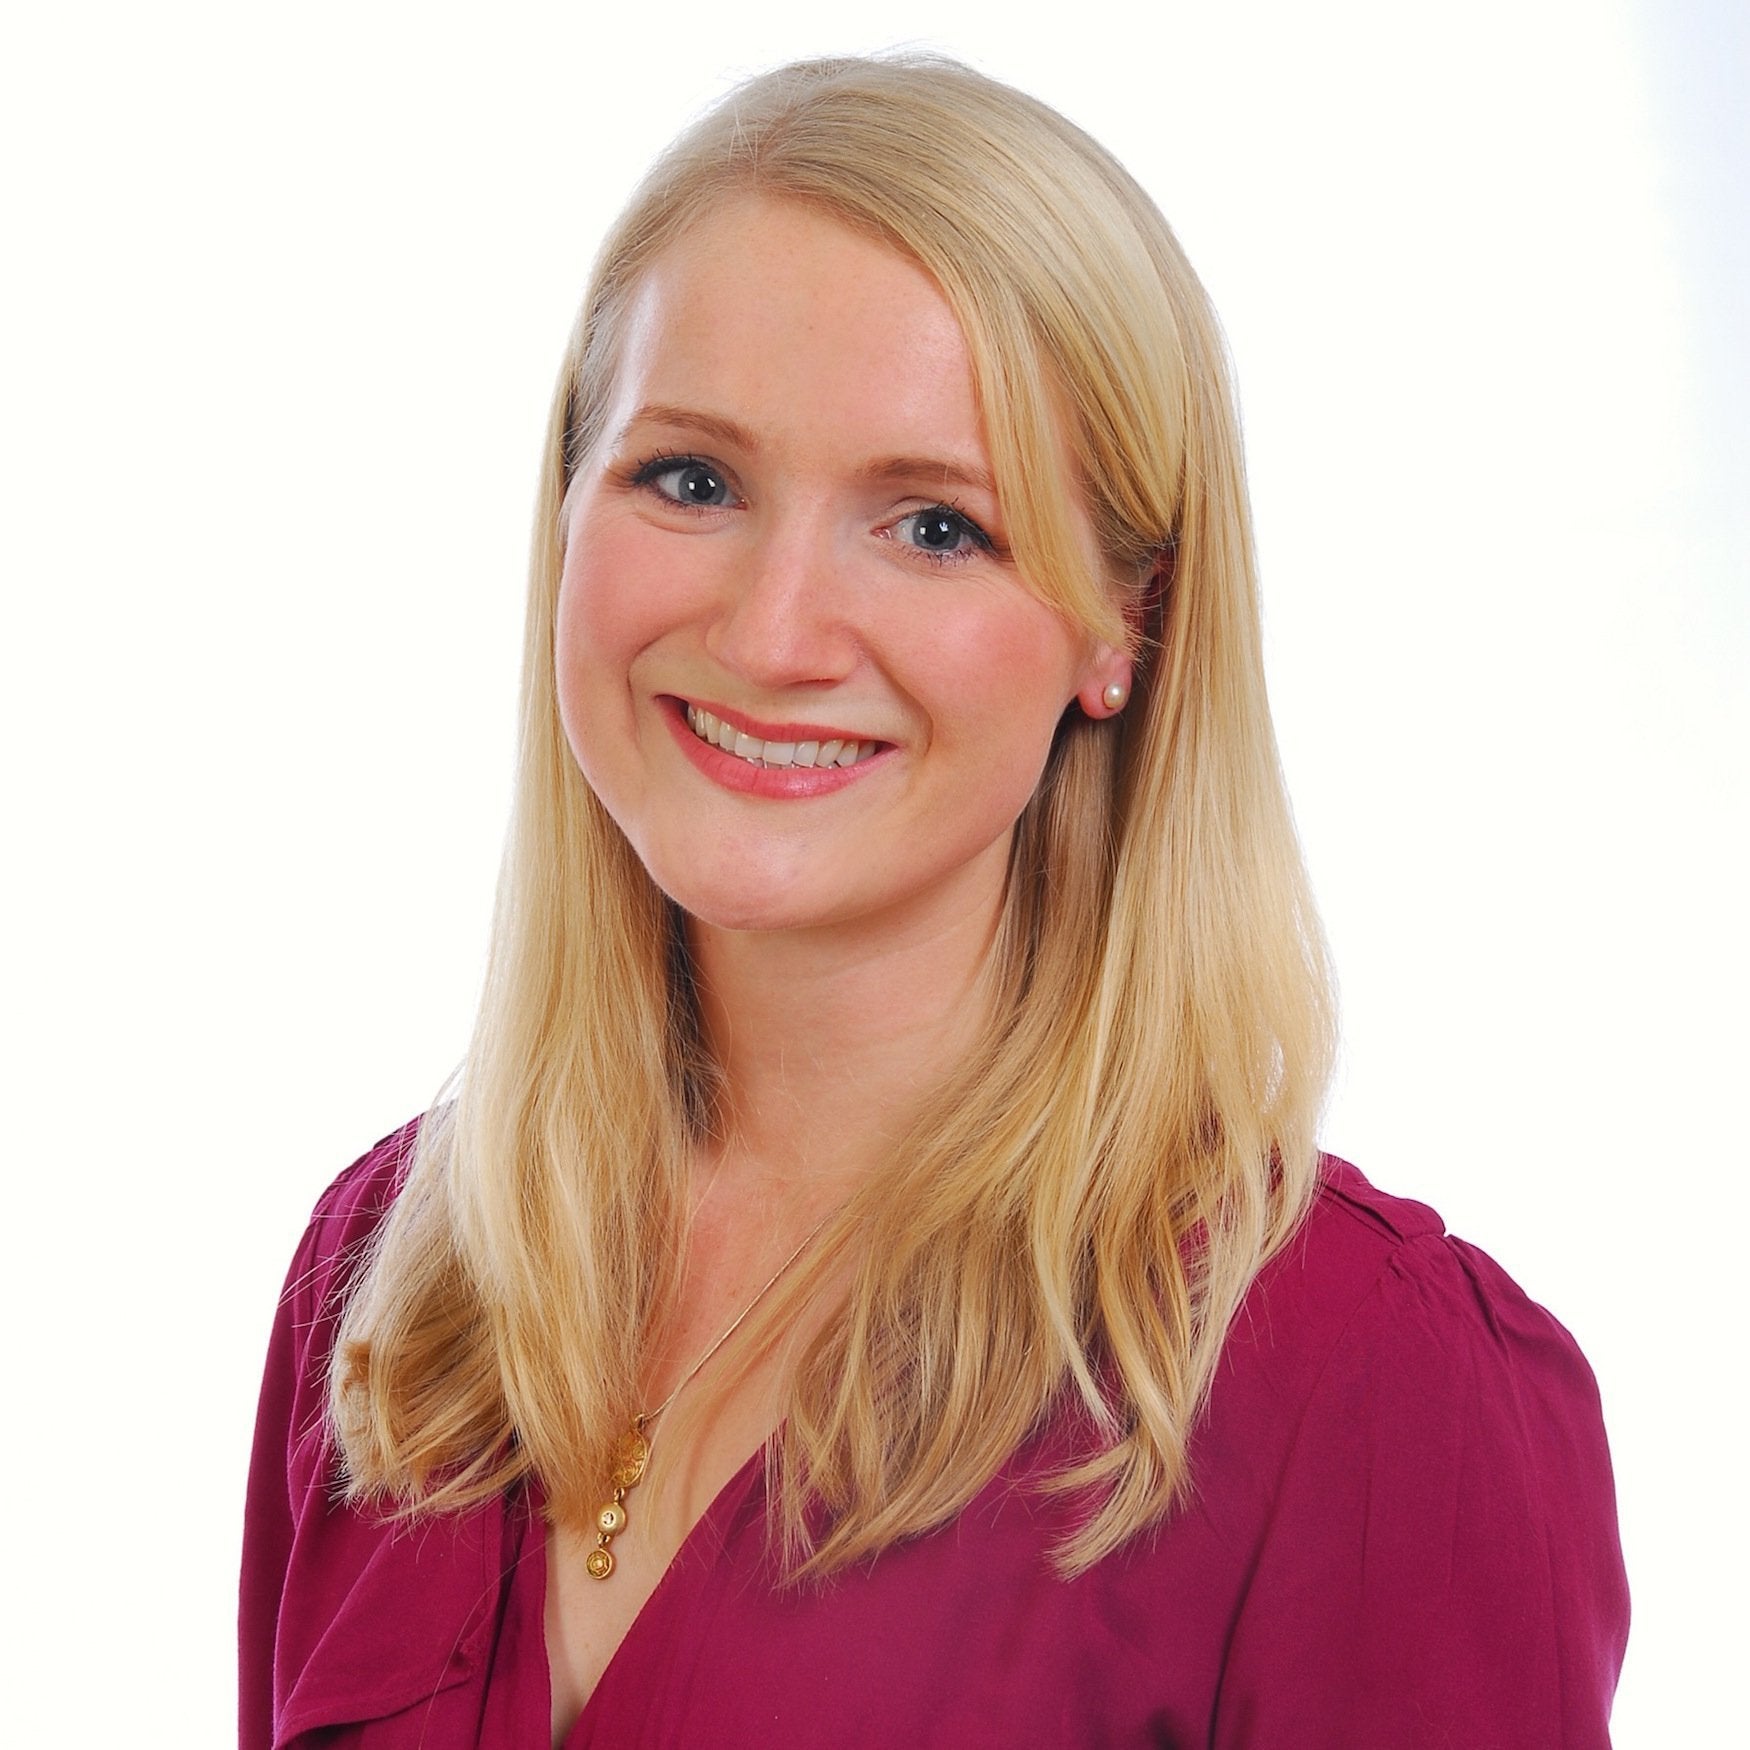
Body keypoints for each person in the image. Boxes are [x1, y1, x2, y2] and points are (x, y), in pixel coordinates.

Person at [240, 52, 1629, 1749]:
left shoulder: (1371, 1394)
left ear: (1125, 624)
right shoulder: (392, 1284)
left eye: (932, 524)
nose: (770, 633)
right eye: (690, 479)